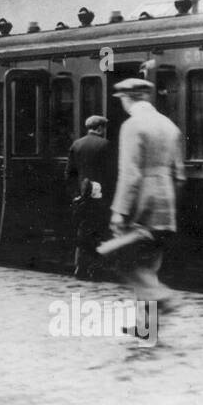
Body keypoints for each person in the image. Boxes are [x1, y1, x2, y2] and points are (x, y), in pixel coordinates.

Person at [108, 78, 185, 318]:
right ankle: (147, 329)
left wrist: (119, 211)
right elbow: (180, 175)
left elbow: (130, 174)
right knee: (150, 266)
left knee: (125, 261)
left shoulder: (132, 125)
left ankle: (164, 296)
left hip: (142, 203)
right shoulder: (170, 125)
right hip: (166, 203)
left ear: (127, 98)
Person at [66, 115, 116, 281]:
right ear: (100, 128)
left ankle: (80, 268)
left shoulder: (77, 144)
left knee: (82, 230)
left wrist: (76, 195)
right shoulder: (105, 145)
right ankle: (96, 270)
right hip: (101, 198)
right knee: (99, 232)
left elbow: (70, 174)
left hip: (82, 197)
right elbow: (111, 174)